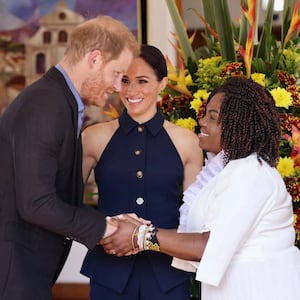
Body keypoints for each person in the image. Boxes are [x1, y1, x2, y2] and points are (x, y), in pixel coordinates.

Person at [101, 76, 300, 300]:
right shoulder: (229, 171)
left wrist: (140, 236)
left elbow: (207, 245)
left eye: (213, 118)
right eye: (205, 114)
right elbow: (197, 237)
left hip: (258, 290)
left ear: (237, 125)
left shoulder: (251, 173)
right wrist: (138, 231)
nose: (202, 122)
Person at [0, 15, 139, 300]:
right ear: (95, 59)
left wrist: (106, 221)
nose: (117, 87)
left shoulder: (58, 101)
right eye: (117, 74)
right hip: (13, 275)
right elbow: (36, 203)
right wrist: (104, 227)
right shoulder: (45, 105)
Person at [80, 44, 203, 300]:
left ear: (163, 84)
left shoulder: (187, 141)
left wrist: (146, 239)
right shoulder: (93, 138)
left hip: (168, 277)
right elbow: (66, 204)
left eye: (142, 81)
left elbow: (194, 221)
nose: (131, 91)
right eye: (125, 80)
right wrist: (104, 230)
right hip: (108, 274)